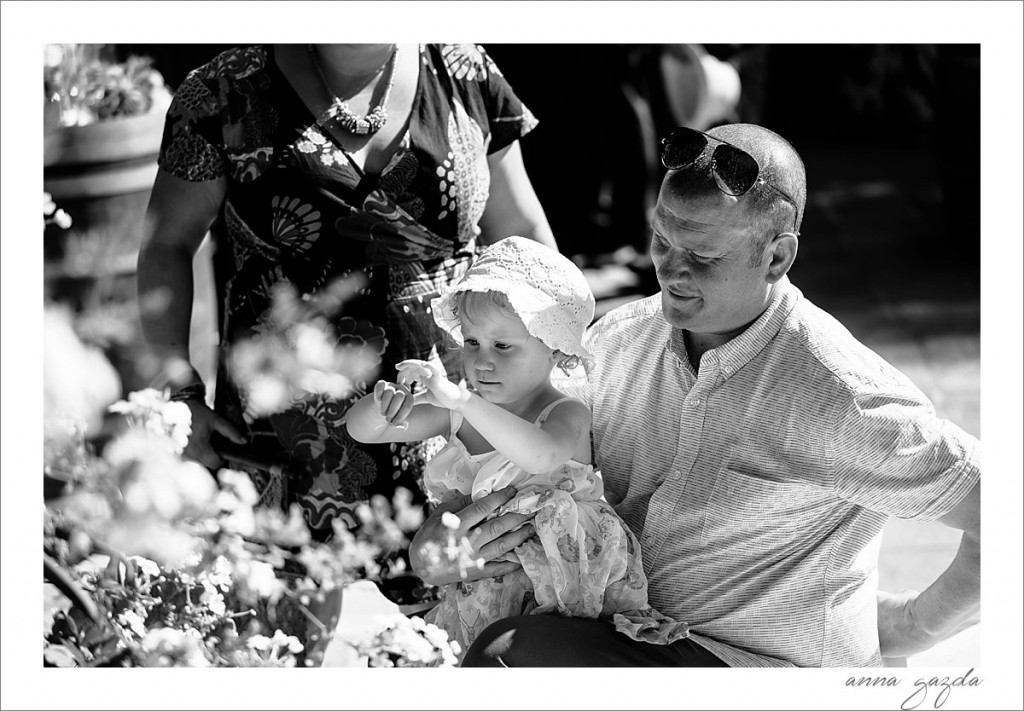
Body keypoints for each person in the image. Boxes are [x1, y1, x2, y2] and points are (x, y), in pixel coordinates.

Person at [408, 123, 981, 667]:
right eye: (661, 239)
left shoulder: (841, 393)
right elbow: (518, 466)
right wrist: (442, 546)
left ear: (777, 256)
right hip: (617, 637)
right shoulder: (614, 340)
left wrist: (909, 625)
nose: (670, 270)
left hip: (760, 668)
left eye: (702, 255)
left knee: (508, 656)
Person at [136, 44, 554, 540]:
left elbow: (524, 235)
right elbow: (166, 244)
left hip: (456, 427)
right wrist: (177, 395)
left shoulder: (464, 71)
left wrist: (559, 369)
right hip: (291, 442)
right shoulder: (223, 89)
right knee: (307, 607)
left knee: (461, 602)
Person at [345, 236, 688, 661]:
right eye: (471, 342)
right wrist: (385, 404)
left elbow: (540, 456)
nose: (481, 361)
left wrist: (463, 401)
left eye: (502, 346)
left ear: (557, 351)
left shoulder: (565, 412)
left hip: (563, 583)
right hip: (482, 582)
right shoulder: (460, 410)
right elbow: (363, 431)